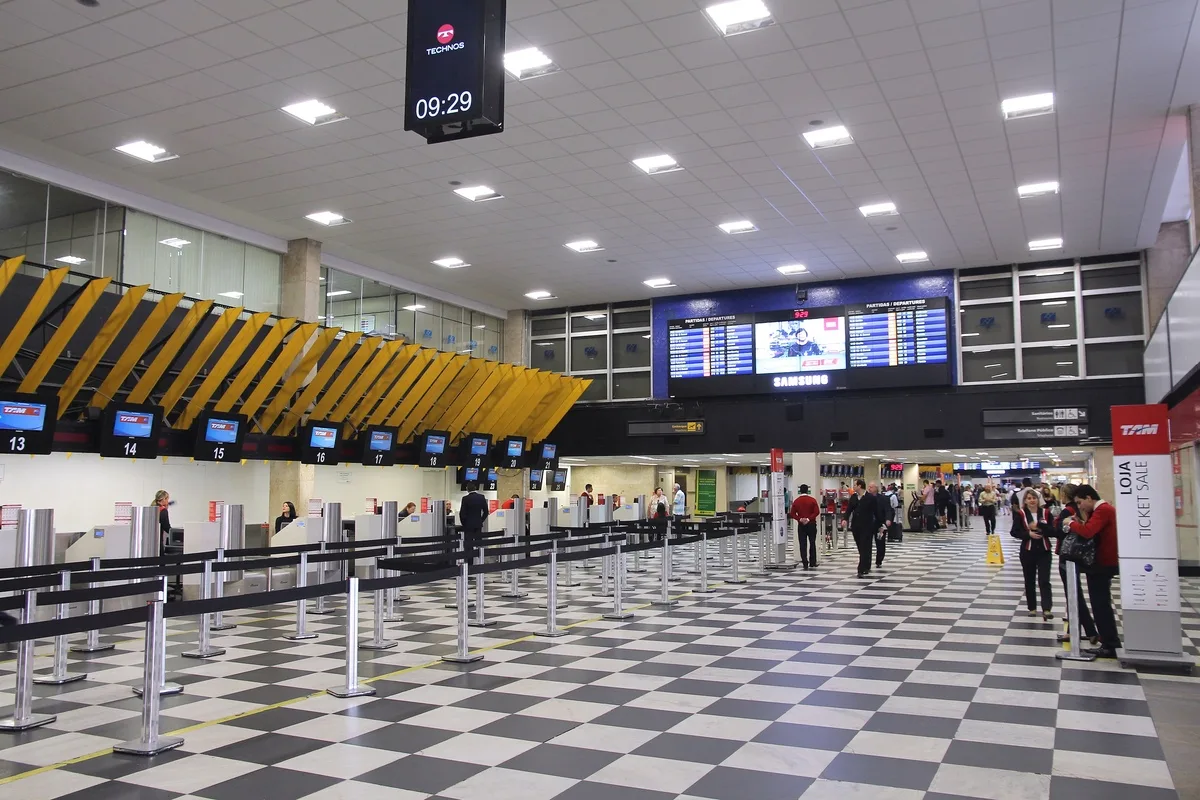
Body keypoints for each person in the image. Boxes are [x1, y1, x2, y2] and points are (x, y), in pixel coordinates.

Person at [1062, 485, 1121, 658]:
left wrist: (1071, 523)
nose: (1080, 507)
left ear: (1089, 498)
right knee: (1099, 604)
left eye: (1080, 503)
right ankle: (1107, 641)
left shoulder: (1103, 510)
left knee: (1100, 605)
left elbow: (1088, 532)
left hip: (1103, 564)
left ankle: (1110, 644)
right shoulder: (1102, 510)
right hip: (1099, 563)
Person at [1054, 485, 1098, 646]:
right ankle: (1077, 630)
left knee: (1072, 594)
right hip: (1083, 554)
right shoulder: (1081, 509)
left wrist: (1046, 527)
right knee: (1074, 593)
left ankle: (1087, 630)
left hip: (1069, 553)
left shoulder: (1067, 511)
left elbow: (1059, 531)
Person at [1011, 489, 1054, 619]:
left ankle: (1046, 608)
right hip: (1027, 551)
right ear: (1025, 501)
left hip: (1044, 550)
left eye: (1034, 498)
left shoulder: (1046, 513)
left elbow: (1053, 530)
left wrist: (1041, 528)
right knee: (1029, 580)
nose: (1032, 500)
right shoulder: (1021, 514)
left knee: (1044, 580)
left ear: (1038, 499)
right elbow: (1014, 532)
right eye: (1029, 498)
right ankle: (1032, 608)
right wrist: (1028, 534)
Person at [844, 480, 888, 578]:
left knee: (865, 546)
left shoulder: (870, 498)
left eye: (855, 485)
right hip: (856, 526)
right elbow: (849, 509)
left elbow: (876, 511)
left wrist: (882, 523)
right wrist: (845, 519)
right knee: (861, 546)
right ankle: (866, 564)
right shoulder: (854, 497)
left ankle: (861, 568)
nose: (853, 487)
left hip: (867, 526)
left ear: (860, 486)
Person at [788, 483, 820, 570]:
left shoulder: (796, 501)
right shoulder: (812, 500)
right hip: (812, 524)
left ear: (800, 491)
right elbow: (817, 512)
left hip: (801, 525)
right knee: (812, 542)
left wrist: (800, 519)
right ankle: (812, 562)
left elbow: (792, 513)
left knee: (802, 544)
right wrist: (809, 519)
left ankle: (805, 563)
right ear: (807, 490)